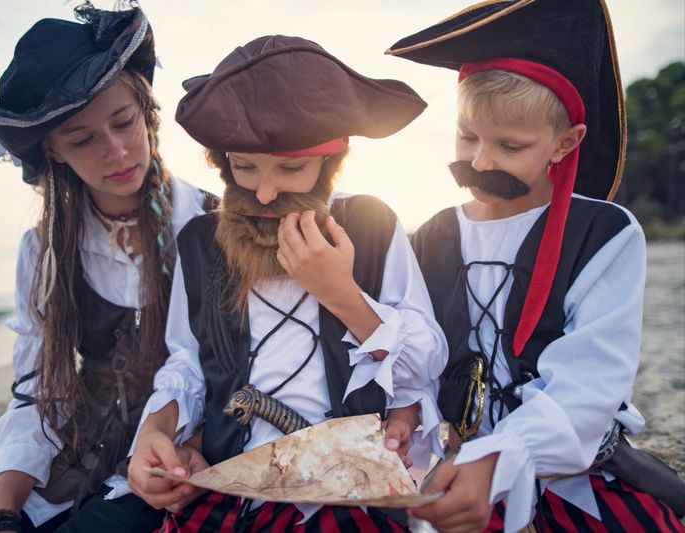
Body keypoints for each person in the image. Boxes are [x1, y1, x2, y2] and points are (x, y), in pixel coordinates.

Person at [125, 35, 449, 531]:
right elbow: (189, 361)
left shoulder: (370, 223)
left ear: (330, 161)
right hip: (231, 481)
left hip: (347, 489)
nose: (265, 191)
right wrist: (156, 427)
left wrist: (340, 294)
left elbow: (424, 362)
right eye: (244, 167)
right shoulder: (199, 240)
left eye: (291, 168)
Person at [387, 1, 685, 531]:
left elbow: (586, 390)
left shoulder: (605, 234)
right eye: (467, 136)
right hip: (450, 466)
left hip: (566, 469)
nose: (479, 162)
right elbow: (419, 363)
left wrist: (500, 458)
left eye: (510, 146)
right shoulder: (430, 235)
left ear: (565, 142)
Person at [0, 4, 215, 533]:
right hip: (69, 458)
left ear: (146, 113)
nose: (117, 150)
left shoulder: (207, 229)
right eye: (82, 140)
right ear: (53, 151)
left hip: (170, 463)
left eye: (124, 122)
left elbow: (214, 374)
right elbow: (38, 394)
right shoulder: (45, 250)